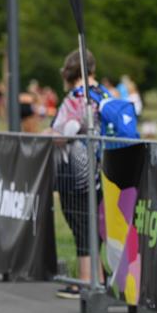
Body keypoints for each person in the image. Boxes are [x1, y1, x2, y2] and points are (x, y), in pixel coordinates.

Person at [47, 49, 105, 299]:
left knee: (81, 224)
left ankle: (84, 281)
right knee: (95, 225)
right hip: (103, 171)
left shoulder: (75, 98)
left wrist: (46, 135)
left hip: (76, 173)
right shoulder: (103, 94)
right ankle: (98, 278)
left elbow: (64, 132)